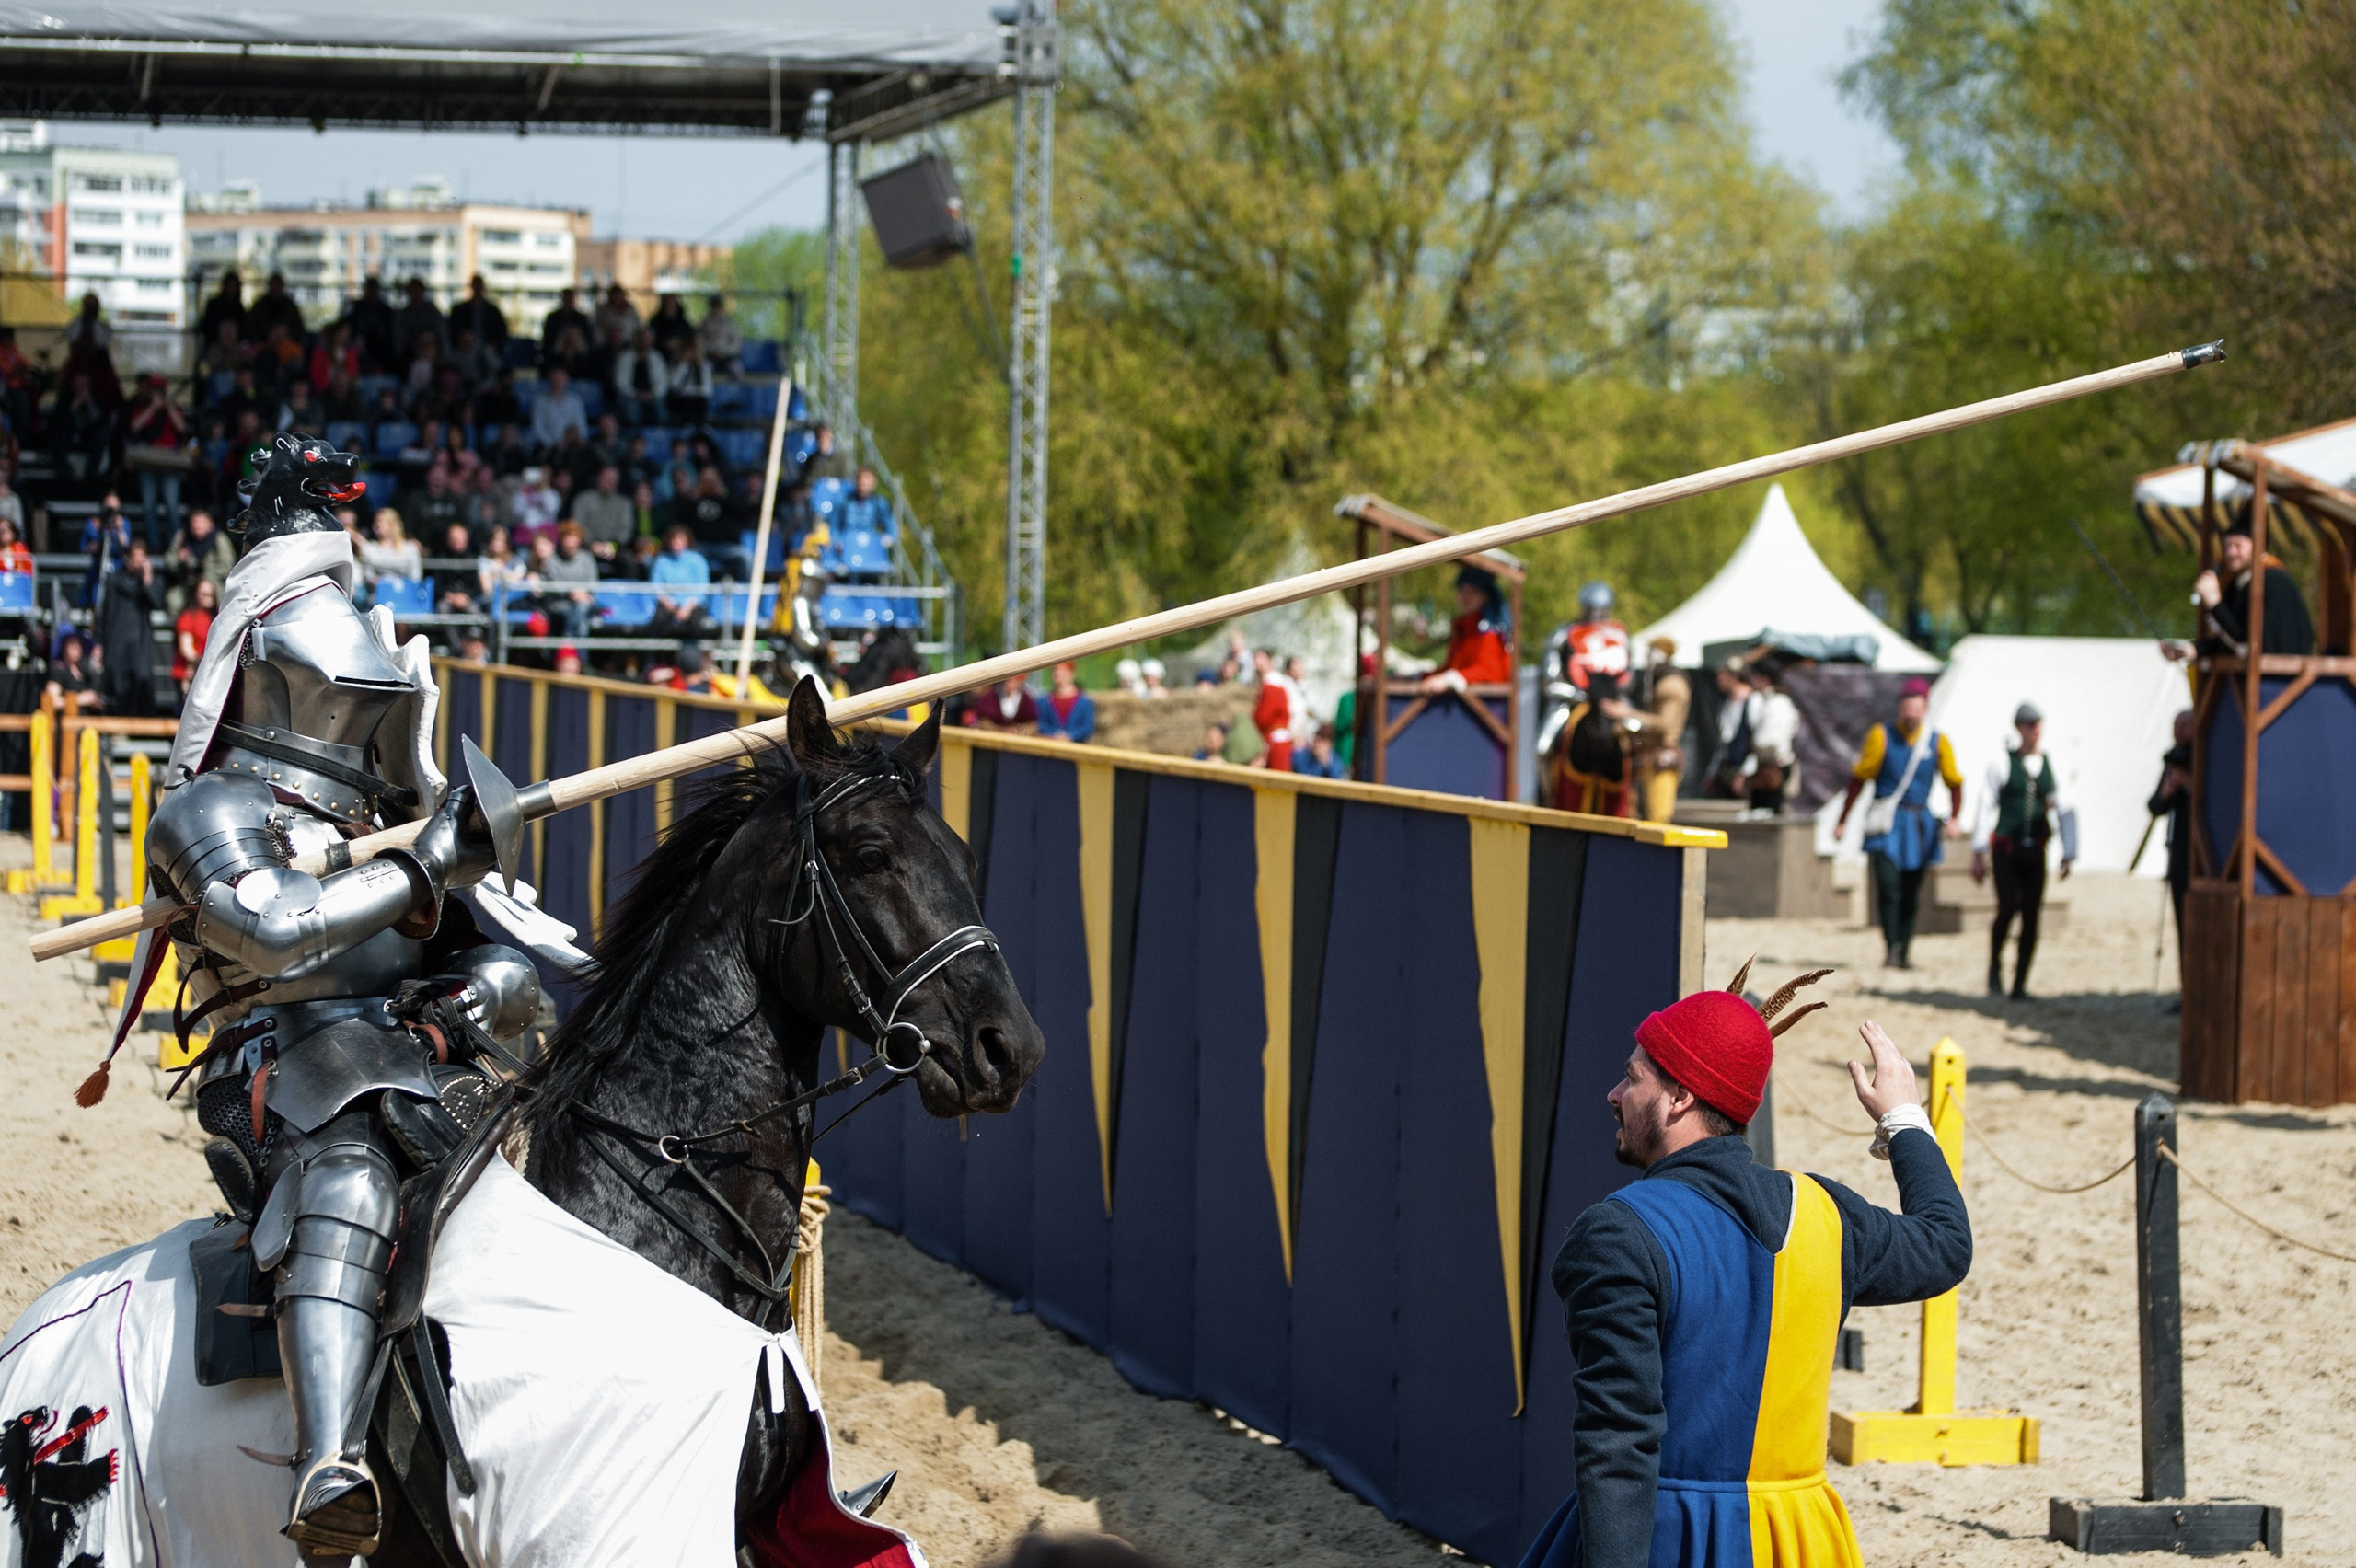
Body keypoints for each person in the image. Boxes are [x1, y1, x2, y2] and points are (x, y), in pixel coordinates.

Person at [123, 432, 548, 1555]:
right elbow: (273, 930)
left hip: (414, 1047)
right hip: (283, 1057)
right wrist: (425, 864)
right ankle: (329, 1466)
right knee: (351, 1166)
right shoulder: (209, 810)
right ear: (268, 654)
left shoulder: (386, 820)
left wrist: (485, 990)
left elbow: (493, 965)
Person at [1519, 971, 1969, 1568]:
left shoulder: (1617, 1234)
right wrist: (1904, 1120)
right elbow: (1944, 1245)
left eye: (1633, 1077)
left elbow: (1618, 1443)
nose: (1615, 1093)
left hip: (1669, 1540)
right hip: (1800, 1541)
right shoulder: (1825, 1214)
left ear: (1680, 1098)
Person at [1835, 676, 1964, 970]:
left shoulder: (1937, 741)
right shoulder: (1881, 736)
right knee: (1888, 887)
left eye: (1916, 708)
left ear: (1925, 709)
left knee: (1911, 891)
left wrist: (1954, 817)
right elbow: (1859, 779)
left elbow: (1954, 781)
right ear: (1899, 708)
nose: (1911, 714)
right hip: (1887, 823)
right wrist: (1843, 820)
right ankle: (1891, 946)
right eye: (1906, 707)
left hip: (1918, 824)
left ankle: (1904, 951)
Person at [1971, 702, 2077, 999]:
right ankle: (1995, 967)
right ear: (2019, 728)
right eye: (2029, 725)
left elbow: (2065, 808)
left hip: (2036, 850)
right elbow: (1985, 805)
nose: (2034, 730)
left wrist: (2069, 851)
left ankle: (2020, 983)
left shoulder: (2052, 764)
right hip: (2007, 850)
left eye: (2037, 724)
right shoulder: (2003, 763)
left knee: (2031, 914)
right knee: (2007, 907)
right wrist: (1978, 851)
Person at [2189, 504, 2316, 659]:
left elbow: (2248, 642)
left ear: (2258, 546)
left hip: (2278, 672)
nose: (2231, 552)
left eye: (2238, 545)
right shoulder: (2236, 584)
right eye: (2227, 546)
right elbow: (2229, 640)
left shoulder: (2274, 582)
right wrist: (2194, 649)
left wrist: (2215, 603)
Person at [1540, 579, 1630, 735]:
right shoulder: (1564, 633)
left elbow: (1628, 674)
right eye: (1592, 610)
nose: (1596, 615)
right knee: (1543, 744)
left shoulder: (1618, 634)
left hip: (1613, 700)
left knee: (1636, 731)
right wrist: (1578, 694)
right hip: (1570, 701)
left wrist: (1611, 693)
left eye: (1601, 610)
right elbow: (1550, 681)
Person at [1546, 669, 1634, 816]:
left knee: (1629, 746)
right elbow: (1552, 675)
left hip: (1614, 703)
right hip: (1577, 700)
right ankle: (1548, 794)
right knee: (1543, 747)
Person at [94, 538, 164, 716]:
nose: (138, 561)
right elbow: (104, 613)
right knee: (117, 682)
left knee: (141, 680)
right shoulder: (114, 580)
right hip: (117, 638)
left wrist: (147, 580)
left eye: (142, 557)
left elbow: (156, 603)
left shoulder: (150, 582)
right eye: (134, 557)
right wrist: (99, 642)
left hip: (139, 641)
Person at [1419, 564, 1514, 693]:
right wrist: (1420, 677)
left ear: (1485, 595)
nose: (1466, 596)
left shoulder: (1490, 631)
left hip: (1486, 703)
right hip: (1460, 702)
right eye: (1462, 590)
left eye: (1473, 591)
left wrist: (1450, 679)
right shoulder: (1463, 629)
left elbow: (1490, 672)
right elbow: (1450, 669)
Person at [1626, 638, 1691, 824]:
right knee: (1643, 820)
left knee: (1658, 821)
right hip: (1648, 758)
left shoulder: (1671, 684)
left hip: (1661, 759)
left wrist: (1627, 713)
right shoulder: (1662, 681)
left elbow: (1665, 724)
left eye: (1650, 655)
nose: (1647, 660)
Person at [2148, 709, 2195, 964]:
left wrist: (2188, 784)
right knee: (2181, 923)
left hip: (2198, 855)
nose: (2178, 731)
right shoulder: (2173, 762)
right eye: (2176, 726)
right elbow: (2155, 806)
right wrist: (2168, 790)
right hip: (2177, 853)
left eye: (2184, 725)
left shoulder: (2203, 757)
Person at [124, 375, 191, 546]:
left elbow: (182, 428)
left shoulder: (173, 408)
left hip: (170, 462)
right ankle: (153, 544)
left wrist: (168, 406)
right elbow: (135, 427)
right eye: (155, 390)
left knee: (172, 505)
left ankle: (175, 545)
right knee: (149, 505)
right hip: (147, 461)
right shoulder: (141, 407)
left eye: (161, 390)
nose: (158, 393)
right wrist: (153, 407)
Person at [1737, 663, 1799, 816]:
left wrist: (1755, 746)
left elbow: (1768, 741)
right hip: (1766, 766)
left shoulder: (1778, 703)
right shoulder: (1765, 700)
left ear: (1764, 679)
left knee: (1768, 816)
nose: (1751, 681)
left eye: (1754, 676)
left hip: (1773, 768)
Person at [537, 521, 601, 639]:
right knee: (580, 615)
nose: (571, 542)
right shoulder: (552, 560)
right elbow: (552, 585)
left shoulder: (587, 559)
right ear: (562, 539)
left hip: (583, 602)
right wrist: (572, 592)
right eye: (568, 537)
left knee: (581, 608)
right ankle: (576, 647)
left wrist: (582, 593)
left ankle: (569, 643)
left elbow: (592, 582)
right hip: (558, 604)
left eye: (574, 537)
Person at [164, 507, 235, 614]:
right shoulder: (182, 537)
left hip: (213, 583)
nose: (197, 526)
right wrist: (180, 560)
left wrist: (207, 570)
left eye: (201, 522)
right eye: (194, 523)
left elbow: (227, 565)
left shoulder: (219, 539)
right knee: (174, 600)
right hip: (188, 583)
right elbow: (169, 561)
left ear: (209, 524)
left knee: (222, 601)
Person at [648, 523, 712, 635]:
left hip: (692, 605)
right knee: (657, 621)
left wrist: (687, 608)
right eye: (674, 540)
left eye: (681, 540)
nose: (677, 543)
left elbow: (702, 589)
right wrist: (670, 605)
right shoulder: (661, 561)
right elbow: (656, 587)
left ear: (687, 541)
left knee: (697, 623)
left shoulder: (698, 560)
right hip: (668, 604)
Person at [610, 328, 668, 427]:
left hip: (652, 395)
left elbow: (663, 384)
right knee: (632, 414)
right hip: (631, 396)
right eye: (642, 338)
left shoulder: (657, 358)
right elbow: (620, 383)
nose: (644, 341)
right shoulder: (625, 357)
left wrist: (651, 394)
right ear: (636, 339)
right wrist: (636, 394)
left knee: (661, 413)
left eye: (648, 338)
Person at [172, 576, 217, 704]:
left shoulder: (215, 617)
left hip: (208, 673)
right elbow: (186, 649)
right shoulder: (188, 617)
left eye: (211, 594)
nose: (208, 598)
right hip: (190, 673)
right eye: (204, 594)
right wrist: (198, 664)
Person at [1251, 648, 1297, 771]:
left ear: (1270, 661)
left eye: (1260, 658)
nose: (1257, 662)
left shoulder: (1274, 684)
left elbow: (1263, 717)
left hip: (1276, 739)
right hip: (1271, 738)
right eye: (1255, 658)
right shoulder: (1268, 683)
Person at [530, 367, 588, 453]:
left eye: (560, 378)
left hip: (571, 447)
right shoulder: (540, 401)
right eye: (555, 378)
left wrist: (571, 441)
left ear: (566, 379)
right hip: (548, 448)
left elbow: (581, 426)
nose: (558, 381)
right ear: (550, 380)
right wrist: (553, 444)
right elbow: (538, 428)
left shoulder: (575, 401)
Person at [1037, 662, 1096, 743]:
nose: (1058, 674)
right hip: (1051, 744)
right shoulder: (1044, 701)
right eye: (1055, 670)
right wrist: (1055, 735)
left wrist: (1070, 736)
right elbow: (1040, 724)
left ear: (1071, 673)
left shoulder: (1085, 702)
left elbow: (1087, 727)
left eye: (1063, 671)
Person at [449, 273, 510, 351]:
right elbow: (453, 331)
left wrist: (494, 345)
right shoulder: (460, 311)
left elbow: (502, 332)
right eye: (476, 286)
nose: (478, 289)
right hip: (465, 350)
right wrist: (463, 341)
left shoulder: (493, 312)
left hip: (488, 349)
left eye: (479, 286)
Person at [964, 674, 1038, 732]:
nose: (1012, 683)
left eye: (1016, 680)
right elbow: (983, 722)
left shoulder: (1026, 699)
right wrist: (1002, 730)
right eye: (1009, 680)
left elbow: (1033, 724)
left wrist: (1021, 730)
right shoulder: (990, 696)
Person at [699, 294, 744, 376]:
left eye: (718, 306)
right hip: (710, 357)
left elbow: (736, 343)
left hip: (728, 357)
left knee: (737, 369)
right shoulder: (704, 323)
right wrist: (712, 350)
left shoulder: (730, 323)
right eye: (714, 306)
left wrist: (724, 352)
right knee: (703, 369)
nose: (716, 309)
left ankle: (735, 386)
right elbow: (700, 342)